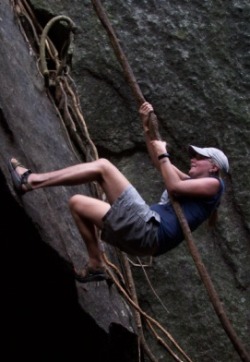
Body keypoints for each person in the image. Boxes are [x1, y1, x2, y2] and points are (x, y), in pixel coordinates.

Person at [8, 102, 229, 283]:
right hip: (144, 241)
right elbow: (159, 163)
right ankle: (96, 264)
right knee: (78, 204)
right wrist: (147, 129)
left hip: (149, 230)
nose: (193, 158)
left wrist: (164, 155)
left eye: (199, 157)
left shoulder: (214, 185)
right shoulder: (195, 185)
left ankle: (30, 181)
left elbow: (172, 183)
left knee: (103, 167)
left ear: (213, 168)